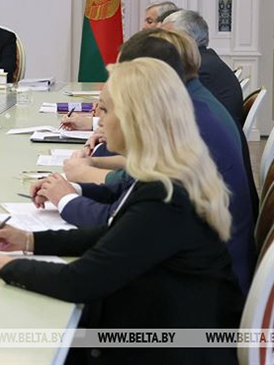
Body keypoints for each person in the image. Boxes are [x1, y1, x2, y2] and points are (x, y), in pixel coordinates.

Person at [0, 58, 243, 364]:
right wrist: (29, 240)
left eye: (105, 109)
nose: (98, 118)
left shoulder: (165, 195)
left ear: (135, 118)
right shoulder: (167, 173)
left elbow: (80, 281)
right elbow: (115, 233)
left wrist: (6, 267)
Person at [37, 31, 255, 294]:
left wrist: (66, 198)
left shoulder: (191, 126)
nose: (101, 117)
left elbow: (117, 221)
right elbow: (130, 191)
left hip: (198, 289)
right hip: (202, 271)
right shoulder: (186, 109)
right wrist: (32, 238)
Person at [162, 9, 243, 128]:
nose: (162, 42)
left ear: (187, 38)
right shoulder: (207, 60)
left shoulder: (200, 69)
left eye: (169, 37)